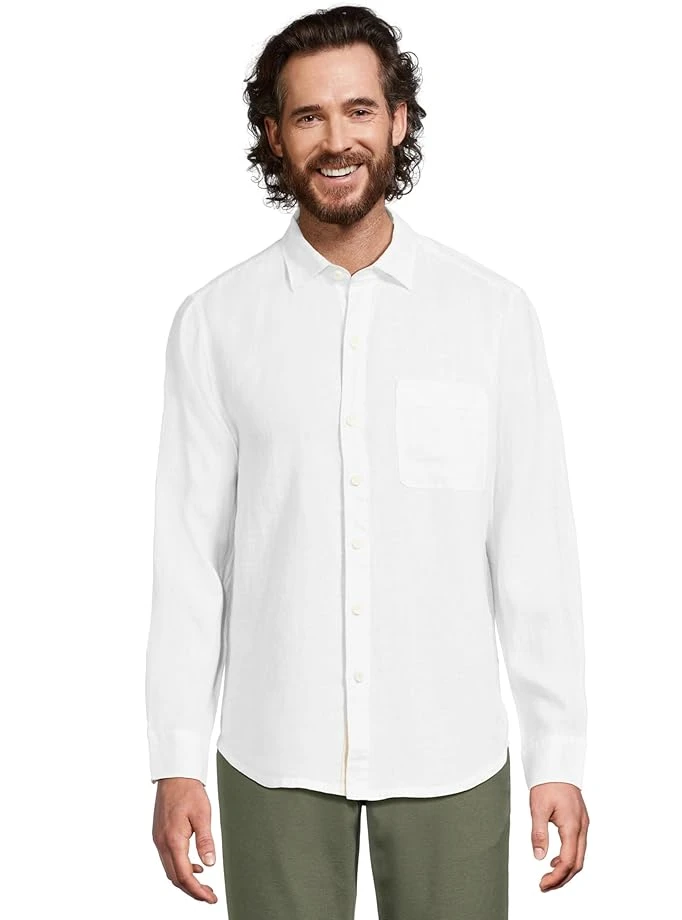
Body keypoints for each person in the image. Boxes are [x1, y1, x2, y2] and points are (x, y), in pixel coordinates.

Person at [145, 6, 590, 918]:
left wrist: (559, 754)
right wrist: (176, 758)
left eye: (359, 110)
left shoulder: (492, 316)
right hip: (273, 752)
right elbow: (189, 559)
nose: (337, 140)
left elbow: (534, 549)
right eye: (308, 116)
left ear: (398, 121)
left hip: (449, 750)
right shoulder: (216, 323)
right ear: (274, 135)